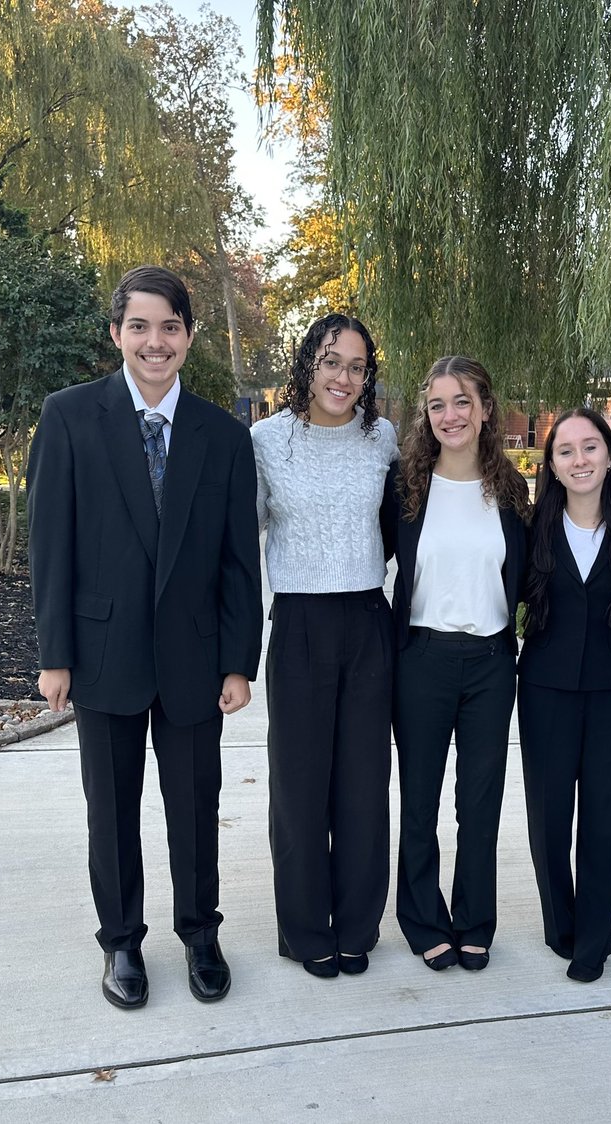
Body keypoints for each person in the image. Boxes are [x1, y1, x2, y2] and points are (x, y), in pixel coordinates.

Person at [27, 266, 262, 1010]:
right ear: (116, 333)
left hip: (195, 656)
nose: (154, 342)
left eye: (169, 327)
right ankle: (122, 942)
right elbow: (50, 545)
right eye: (139, 326)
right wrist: (54, 655)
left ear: (188, 335)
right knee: (114, 806)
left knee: (195, 803)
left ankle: (199, 933)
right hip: (102, 655)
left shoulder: (222, 435)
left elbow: (236, 559)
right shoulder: (69, 417)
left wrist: (237, 659)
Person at [250, 313, 399, 978]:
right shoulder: (266, 441)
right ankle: (308, 931)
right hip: (300, 626)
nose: (344, 376)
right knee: (301, 788)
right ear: (307, 362)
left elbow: (397, 528)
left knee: (364, 787)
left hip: (369, 620)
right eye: (332, 361)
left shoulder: (383, 439)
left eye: (357, 366)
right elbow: (237, 537)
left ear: (368, 377)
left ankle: (357, 927)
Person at [388, 356, 529, 972]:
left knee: (480, 802)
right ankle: (422, 919)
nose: (451, 415)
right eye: (439, 404)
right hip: (422, 658)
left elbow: (526, 578)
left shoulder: (511, 490)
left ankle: (474, 920)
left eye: (463, 401)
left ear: (486, 409)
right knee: (419, 800)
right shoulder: (405, 488)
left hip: (492, 662)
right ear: (427, 414)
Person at [517, 408, 611, 983]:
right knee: (548, 818)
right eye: (565, 451)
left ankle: (594, 939)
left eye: (590, 447)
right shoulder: (532, 525)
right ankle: (560, 924)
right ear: (552, 466)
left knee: (605, 818)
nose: (579, 460)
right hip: (544, 690)